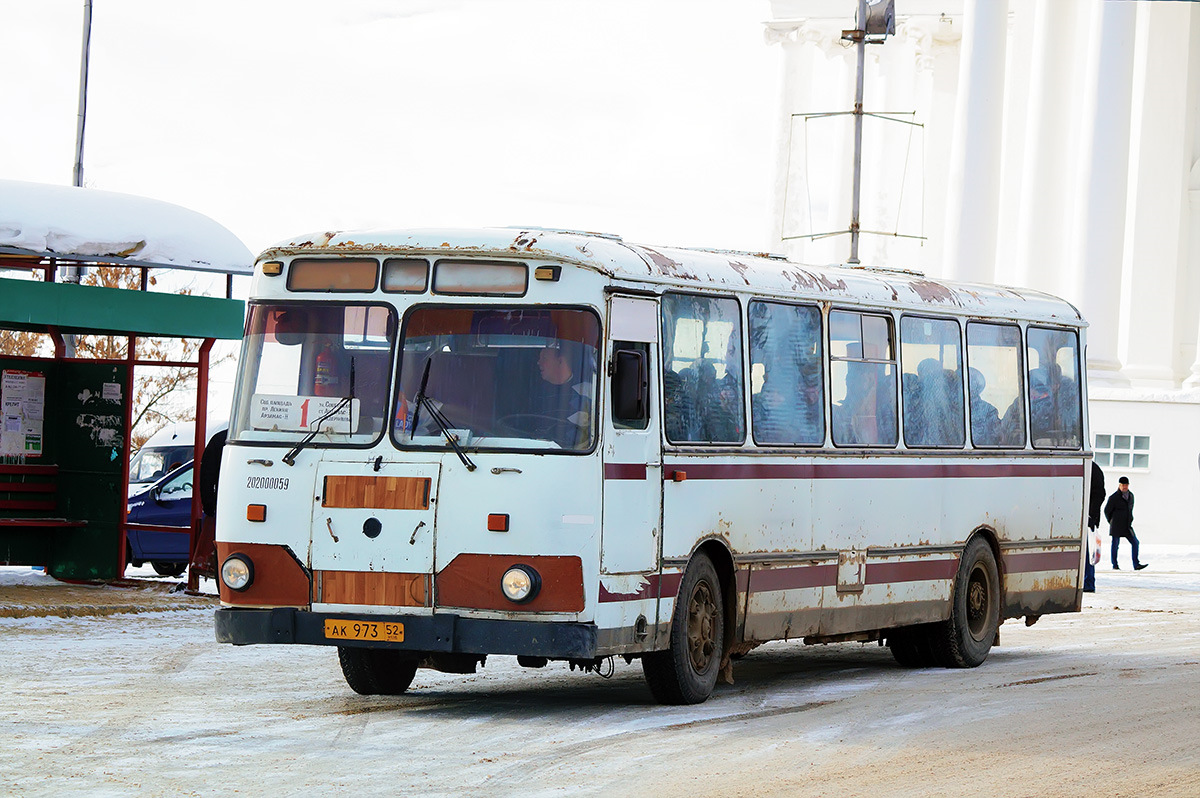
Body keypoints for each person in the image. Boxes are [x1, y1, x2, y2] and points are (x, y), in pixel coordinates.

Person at [528, 342, 593, 448]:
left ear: (560, 361)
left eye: (544, 358)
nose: (538, 362)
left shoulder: (587, 392)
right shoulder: (536, 393)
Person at [1104, 476, 1147, 571]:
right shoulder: (1114, 497)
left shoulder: (1131, 496)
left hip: (1127, 525)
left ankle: (1136, 564)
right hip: (1116, 525)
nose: (1124, 487)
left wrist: (1130, 519)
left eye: (1126, 485)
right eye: (1123, 485)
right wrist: (1111, 521)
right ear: (1119, 485)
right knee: (1115, 544)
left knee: (1135, 542)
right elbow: (1107, 511)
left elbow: (1130, 509)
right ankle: (1115, 565)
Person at [1084, 461, 1105, 592]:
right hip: (1090, 517)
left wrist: (1090, 515)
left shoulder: (1090, 468)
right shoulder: (1094, 468)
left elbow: (1098, 495)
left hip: (1087, 517)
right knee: (1087, 551)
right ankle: (1088, 582)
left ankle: (1088, 582)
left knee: (1087, 552)